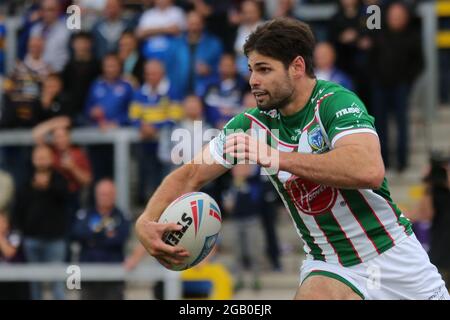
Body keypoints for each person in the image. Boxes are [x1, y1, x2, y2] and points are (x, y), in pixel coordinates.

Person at [135, 18, 450, 300]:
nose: (253, 80)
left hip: (394, 257)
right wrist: (146, 220)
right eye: (251, 70)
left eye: (264, 69)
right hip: (330, 263)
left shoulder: (333, 102)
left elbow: (367, 169)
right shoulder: (251, 125)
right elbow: (190, 174)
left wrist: (277, 157)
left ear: (297, 67)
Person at [72, 179, 130, 300]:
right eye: (102, 194)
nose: (105, 197)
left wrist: (93, 238)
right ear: (96, 195)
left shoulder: (121, 216)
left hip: (113, 275)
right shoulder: (85, 214)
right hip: (88, 274)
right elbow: (78, 234)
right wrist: (106, 234)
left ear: (114, 195)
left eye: (108, 194)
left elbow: (120, 238)